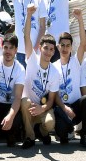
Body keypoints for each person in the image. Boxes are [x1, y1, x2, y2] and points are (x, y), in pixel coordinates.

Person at [53, 12, 86, 148]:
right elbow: (54, 94)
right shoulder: (53, 67)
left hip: (76, 107)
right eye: (62, 45)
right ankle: (68, 129)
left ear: (71, 47)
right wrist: (64, 108)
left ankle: (84, 135)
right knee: (62, 136)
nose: (65, 48)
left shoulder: (76, 61)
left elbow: (83, 42)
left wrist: (80, 19)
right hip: (63, 108)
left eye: (68, 45)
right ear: (58, 47)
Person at [20, 19, 59, 147]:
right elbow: (26, 36)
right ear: (40, 48)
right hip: (29, 107)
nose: (48, 52)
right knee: (24, 101)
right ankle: (29, 137)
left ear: (54, 52)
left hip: (42, 108)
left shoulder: (54, 72)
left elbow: (51, 101)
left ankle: (41, 131)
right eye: (46, 48)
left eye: (51, 49)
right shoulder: (32, 59)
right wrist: (30, 15)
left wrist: (41, 108)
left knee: (50, 124)